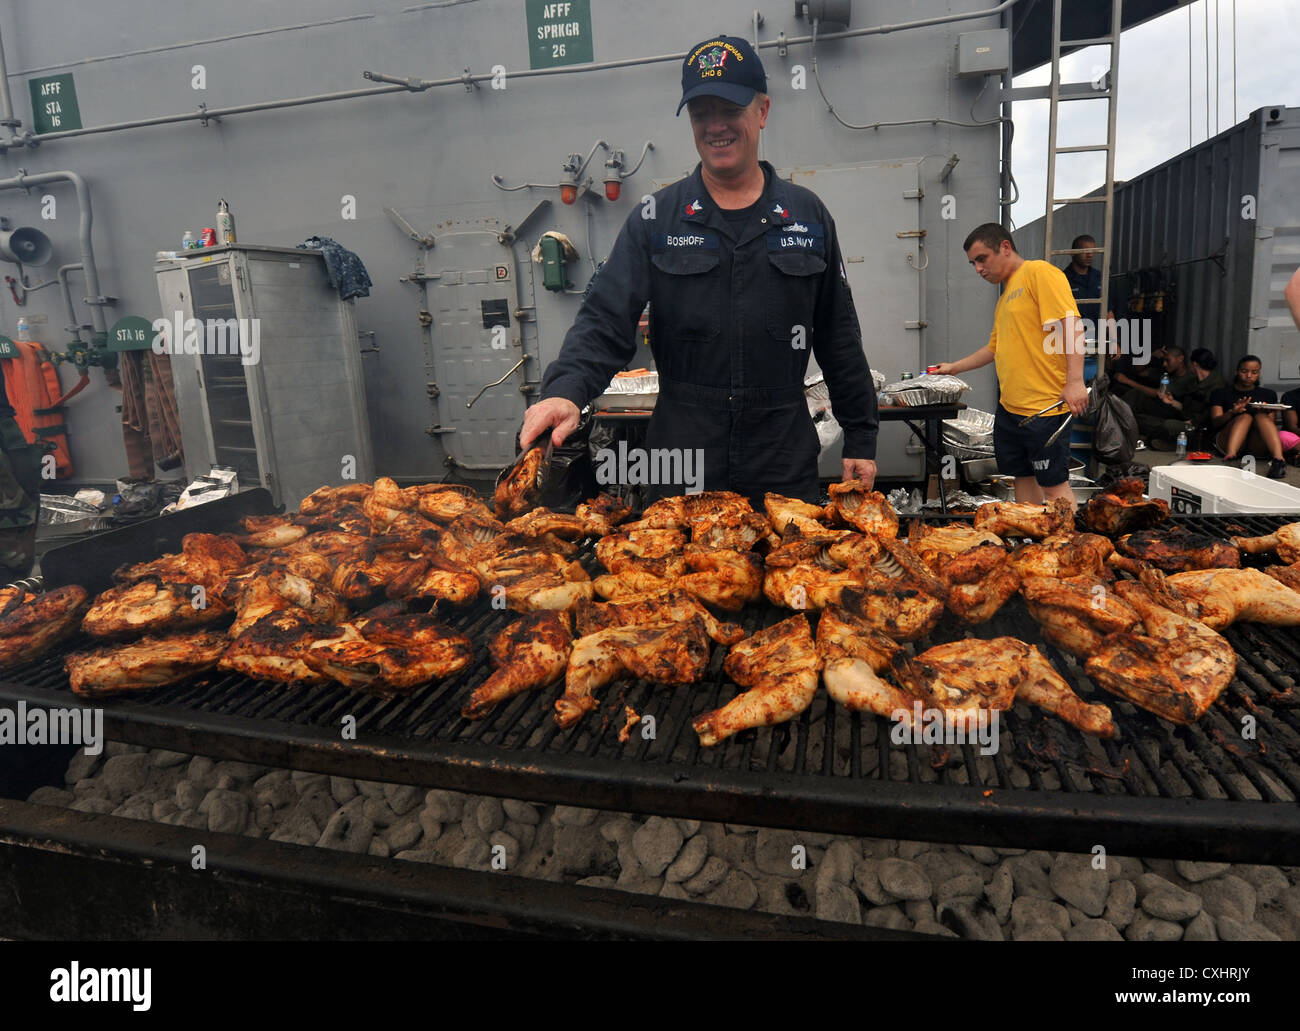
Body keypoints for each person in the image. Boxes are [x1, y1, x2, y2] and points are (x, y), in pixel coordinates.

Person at [519, 35, 878, 505]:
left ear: (763, 110)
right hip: (681, 451)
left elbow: (838, 336)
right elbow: (605, 318)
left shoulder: (807, 215)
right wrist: (566, 391)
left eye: (729, 109)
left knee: (794, 573)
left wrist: (861, 437)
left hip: (781, 452)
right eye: (701, 113)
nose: (715, 126)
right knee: (673, 573)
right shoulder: (656, 217)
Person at [932, 223, 1088, 509]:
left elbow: (1071, 325)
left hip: (1044, 408)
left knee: (1054, 489)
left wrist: (1075, 381)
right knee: (1022, 479)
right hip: (1011, 410)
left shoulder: (1038, 273)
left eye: (982, 259)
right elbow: (993, 349)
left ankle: (1066, 547)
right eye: (973, 263)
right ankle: (1029, 545)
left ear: (1005, 247)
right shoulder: (1005, 297)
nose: (978, 269)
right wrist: (954, 367)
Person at [1207, 354, 1289, 478]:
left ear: (1259, 373)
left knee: (1261, 417)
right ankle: (1231, 457)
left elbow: (1270, 424)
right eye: (1244, 371)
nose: (1249, 376)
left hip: (1256, 444)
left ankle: (1278, 461)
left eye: (1254, 372)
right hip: (1227, 440)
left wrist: (1265, 411)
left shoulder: (1268, 394)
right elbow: (1216, 422)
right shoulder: (1220, 393)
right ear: (1237, 371)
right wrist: (1232, 412)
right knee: (1245, 417)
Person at [1132, 345, 1197, 450]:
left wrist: (1126, 381)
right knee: (1134, 413)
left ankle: (1152, 440)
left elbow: (1158, 393)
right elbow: (1139, 371)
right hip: (1158, 411)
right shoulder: (1165, 373)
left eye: (1168, 360)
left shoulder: (1189, 378)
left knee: (1165, 426)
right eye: (1163, 360)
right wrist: (1151, 355)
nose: (1164, 364)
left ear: (1180, 359)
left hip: (1174, 418)